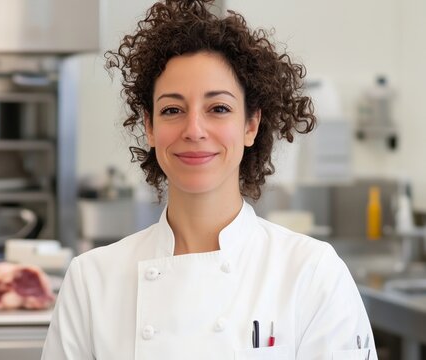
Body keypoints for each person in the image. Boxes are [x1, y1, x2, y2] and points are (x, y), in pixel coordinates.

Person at [42, 0, 377, 359]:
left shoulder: (311, 273)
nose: (194, 130)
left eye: (218, 108)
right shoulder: (92, 280)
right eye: (173, 110)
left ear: (250, 125)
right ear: (150, 127)